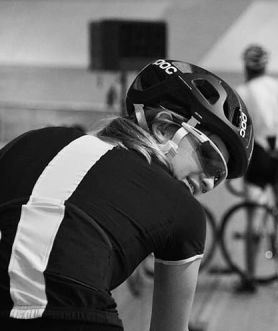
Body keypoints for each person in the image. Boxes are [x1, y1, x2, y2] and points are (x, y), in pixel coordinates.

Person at [0, 59, 254, 331]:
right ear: (164, 127)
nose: (207, 181)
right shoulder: (184, 209)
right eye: (210, 158)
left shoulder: (32, 140)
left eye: (219, 176)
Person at [234, 44, 278, 293]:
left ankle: (250, 277)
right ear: (266, 65)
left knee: (255, 216)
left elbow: (241, 134)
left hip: (259, 157)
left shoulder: (242, 91)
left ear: (246, 66)